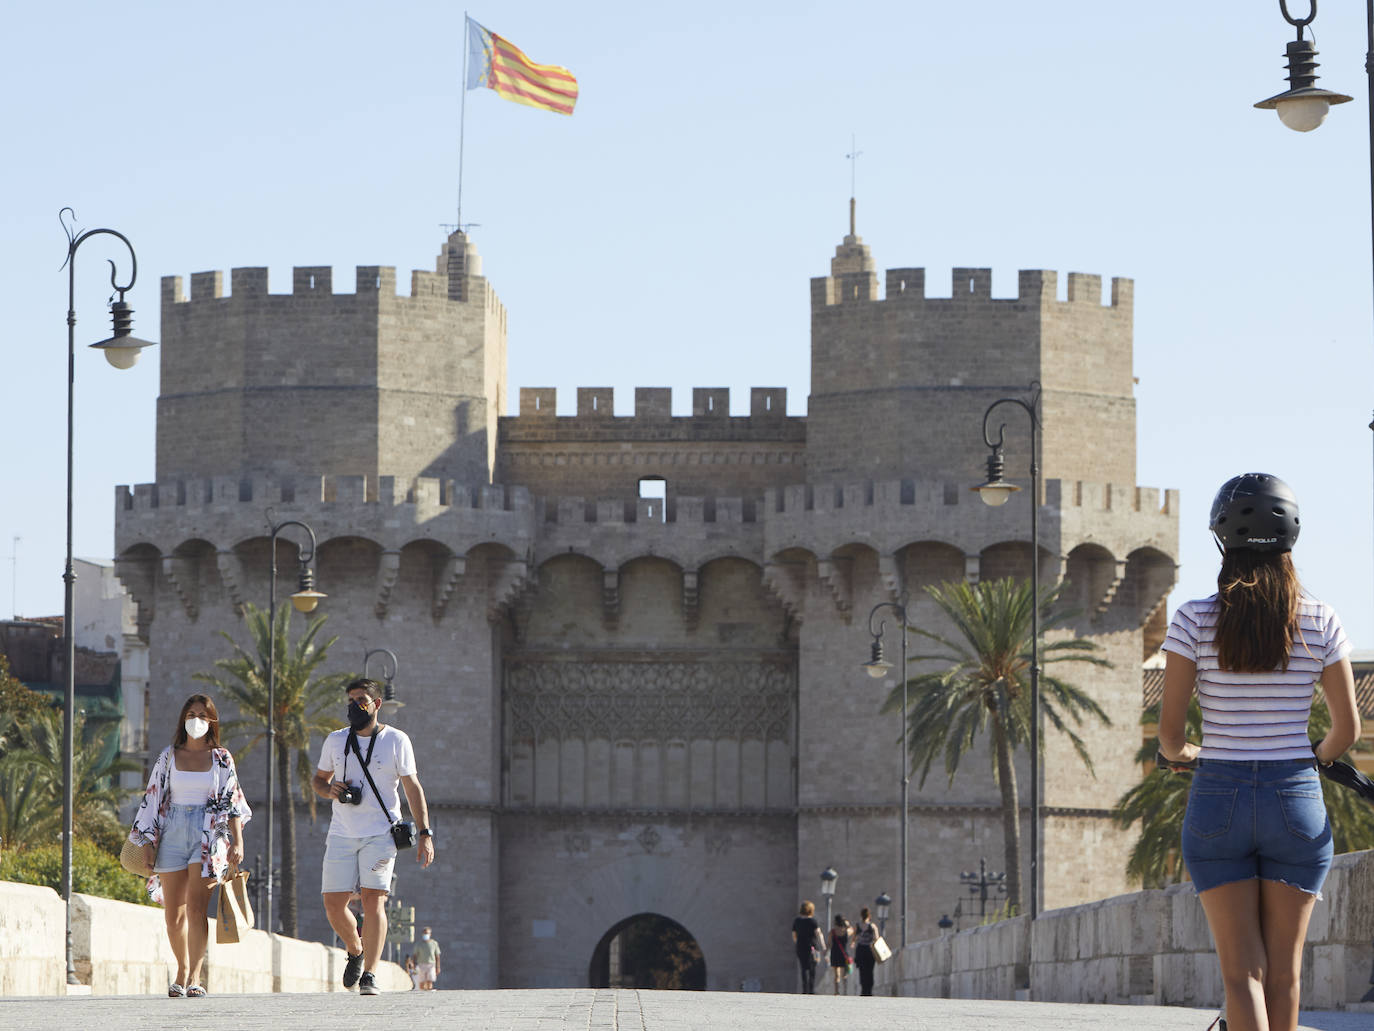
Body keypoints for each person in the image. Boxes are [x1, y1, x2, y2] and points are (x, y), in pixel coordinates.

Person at [1158, 474, 1359, 1031]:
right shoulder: (1320, 619)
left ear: (1222, 538)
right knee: (1286, 976)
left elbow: (1170, 735)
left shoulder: (1194, 620)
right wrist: (1309, 754)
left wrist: (1192, 752)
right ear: (1292, 537)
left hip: (1216, 797)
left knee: (1241, 974)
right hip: (1296, 797)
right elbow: (1347, 730)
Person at [313, 678, 435, 996]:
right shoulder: (335, 741)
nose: (355, 705)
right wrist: (330, 791)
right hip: (341, 832)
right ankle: (355, 949)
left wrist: (425, 832)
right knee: (333, 903)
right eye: (351, 699)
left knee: (373, 901)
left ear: (377, 704)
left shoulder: (396, 741)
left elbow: (412, 788)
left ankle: (369, 973)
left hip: (380, 834)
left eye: (362, 699)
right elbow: (318, 780)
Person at [127, 694, 250, 998]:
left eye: (203, 715)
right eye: (191, 714)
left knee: (196, 909)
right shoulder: (168, 756)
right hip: (171, 832)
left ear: (212, 721)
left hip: (209, 835)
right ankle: (180, 968)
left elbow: (232, 801)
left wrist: (238, 841)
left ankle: (194, 976)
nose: (197, 720)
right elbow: (152, 799)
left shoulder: (222, 758)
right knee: (174, 915)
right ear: (183, 718)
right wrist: (147, 843)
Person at [790, 900, 823, 994]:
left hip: (800, 947)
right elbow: (819, 934)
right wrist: (823, 946)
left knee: (803, 968)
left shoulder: (797, 921)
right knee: (813, 968)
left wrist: (797, 942)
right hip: (813, 948)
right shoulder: (813, 921)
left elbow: (794, 935)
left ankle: (805, 989)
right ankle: (811, 989)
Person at [852, 906, 879, 996]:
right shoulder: (872, 926)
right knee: (870, 970)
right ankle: (869, 990)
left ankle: (863, 990)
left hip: (860, 950)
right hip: (869, 950)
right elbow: (876, 939)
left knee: (862, 971)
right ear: (869, 915)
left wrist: (853, 943)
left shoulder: (857, 926)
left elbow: (854, 938)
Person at [828, 914, 853, 994]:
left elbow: (829, 943)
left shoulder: (832, 932)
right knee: (844, 975)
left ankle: (836, 991)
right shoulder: (846, 931)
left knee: (836, 975)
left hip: (835, 953)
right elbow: (852, 929)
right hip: (844, 954)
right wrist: (847, 924)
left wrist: (826, 951)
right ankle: (845, 991)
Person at [411, 925, 441, 990]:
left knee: (429, 980)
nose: (426, 934)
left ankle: (429, 994)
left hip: (431, 965)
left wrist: (438, 967)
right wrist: (414, 965)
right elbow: (415, 955)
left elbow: (437, 956)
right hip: (421, 965)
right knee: (421, 982)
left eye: (427, 933)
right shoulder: (419, 944)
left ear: (430, 934)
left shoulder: (434, 943)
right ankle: (422, 994)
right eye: (424, 933)